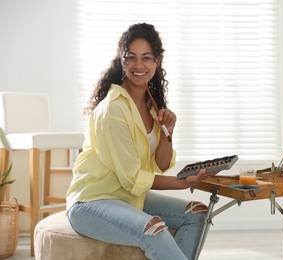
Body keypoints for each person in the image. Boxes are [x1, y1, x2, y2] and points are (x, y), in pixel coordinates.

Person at [66, 23, 215, 260]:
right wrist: (182, 183)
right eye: (131, 58)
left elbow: (162, 164)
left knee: (198, 213)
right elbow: (133, 178)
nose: (139, 65)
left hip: (129, 198)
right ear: (121, 61)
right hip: (92, 202)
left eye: (146, 58)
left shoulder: (150, 106)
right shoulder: (113, 110)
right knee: (153, 229)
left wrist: (168, 133)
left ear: (157, 61)